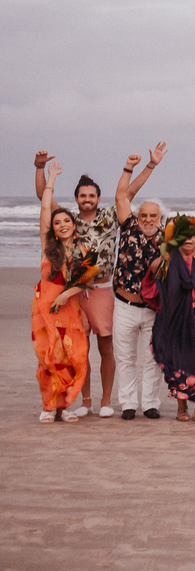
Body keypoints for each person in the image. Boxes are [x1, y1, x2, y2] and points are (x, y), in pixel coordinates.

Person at [34, 149, 159, 418]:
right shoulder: (69, 219)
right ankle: (86, 400)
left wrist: (149, 165)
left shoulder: (109, 217)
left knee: (105, 346)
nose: (87, 199)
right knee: (79, 348)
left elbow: (128, 194)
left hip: (102, 290)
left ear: (98, 198)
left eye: (92, 195)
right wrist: (39, 168)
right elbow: (43, 198)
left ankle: (105, 401)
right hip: (73, 293)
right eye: (83, 196)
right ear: (77, 199)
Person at [149, 221, 195, 423]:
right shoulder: (167, 260)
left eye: (194, 236)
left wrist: (192, 284)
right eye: (185, 236)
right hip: (175, 319)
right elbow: (155, 274)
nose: (190, 240)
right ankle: (181, 407)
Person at [112, 148, 168, 420]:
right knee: (124, 358)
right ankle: (129, 404)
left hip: (152, 308)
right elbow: (122, 196)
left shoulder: (167, 242)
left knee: (151, 358)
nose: (147, 219)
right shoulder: (129, 228)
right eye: (143, 215)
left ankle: (150, 403)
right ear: (137, 216)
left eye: (153, 216)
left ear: (161, 220)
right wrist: (140, 167)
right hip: (124, 305)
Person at [32, 162, 89, 423]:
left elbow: (88, 280)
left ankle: (64, 407)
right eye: (57, 222)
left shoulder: (82, 251)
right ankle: (47, 407)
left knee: (73, 356)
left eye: (67, 220)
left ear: (73, 225)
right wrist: (50, 179)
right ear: (52, 227)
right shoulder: (48, 247)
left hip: (68, 309)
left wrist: (66, 294)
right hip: (44, 310)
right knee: (49, 358)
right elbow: (45, 208)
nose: (62, 224)